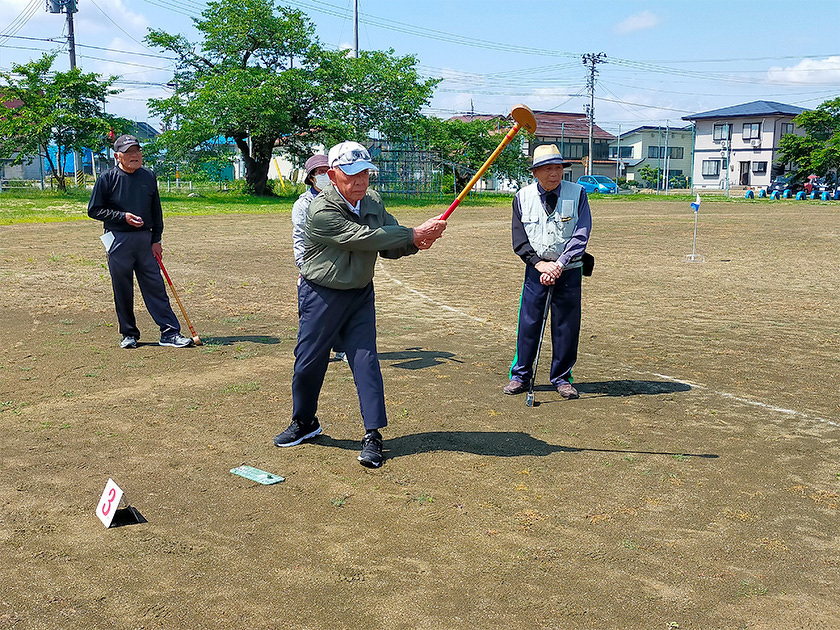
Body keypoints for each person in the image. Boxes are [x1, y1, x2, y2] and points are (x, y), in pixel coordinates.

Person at [273, 141, 447, 467]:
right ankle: (304, 422)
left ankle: (373, 435)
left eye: (365, 173)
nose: (360, 181)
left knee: (366, 360)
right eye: (352, 174)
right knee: (308, 362)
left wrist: (419, 241)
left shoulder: (373, 201)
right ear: (333, 174)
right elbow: (362, 238)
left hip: (360, 294)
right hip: (321, 295)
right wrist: (411, 234)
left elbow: (389, 238)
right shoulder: (320, 210)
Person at [87, 134, 194, 349]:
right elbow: (94, 210)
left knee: (155, 286)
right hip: (118, 240)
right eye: (129, 152)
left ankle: (170, 333)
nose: (134, 155)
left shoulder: (148, 176)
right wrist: (122, 217)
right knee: (122, 288)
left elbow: (156, 211)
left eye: (137, 151)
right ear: (118, 156)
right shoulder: (107, 179)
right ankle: (129, 334)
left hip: (146, 241)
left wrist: (157, 239)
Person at [504, 144, 592, 400]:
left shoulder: (578, 194)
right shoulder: (522, 197)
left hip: (569, 269)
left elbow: (581, 233)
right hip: (536, 271)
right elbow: (519, 238)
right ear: (536, 172)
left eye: (558, 168)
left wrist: (560, 264)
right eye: (547, 169)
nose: (554, 174)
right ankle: (520, 375)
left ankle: (562, 378)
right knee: (528, 323)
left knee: (566, 326)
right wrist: (539, 264)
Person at [292, 154, 346, 362]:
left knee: (342, 309)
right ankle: (308, 352)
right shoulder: (303, 204)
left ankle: (342, 348)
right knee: (312, 313)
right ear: (311, 178)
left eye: (327, 170)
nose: (323, 175)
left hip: (339, 262)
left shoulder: (343, 199)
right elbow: (299, 236)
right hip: (314, 265)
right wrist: (303, 265)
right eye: (319, 172)